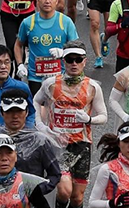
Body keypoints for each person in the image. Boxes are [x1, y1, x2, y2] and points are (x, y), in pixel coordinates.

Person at [33, 39, 108, 208]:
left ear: (84, 61)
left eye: (78, 59)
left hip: (82, 144)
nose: (74, 63)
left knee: (77, 198)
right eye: (69, 59)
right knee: (64, 191)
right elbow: (36, 101)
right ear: (63, 61)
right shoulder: (50, 84)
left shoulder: (93, 87)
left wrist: (89, 119)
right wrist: (40, 125)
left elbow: (104, 116)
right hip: (58, 144)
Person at [0, 89, 60, 194]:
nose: (15, 116)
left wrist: (36, 191)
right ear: (1, 112)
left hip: (30, 199)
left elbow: (55, 174)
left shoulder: (40, 141)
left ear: (27, 112)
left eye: (19, 111)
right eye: (9, 111)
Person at [15, 0, 79, 96]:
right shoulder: (28, 23)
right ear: (37, 0)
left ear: (57, 0)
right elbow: (18, 45)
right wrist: (20, 64)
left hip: (61, 76)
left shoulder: (66, 22)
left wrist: (63, 53)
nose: (47, 1)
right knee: (38, 106)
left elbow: (77, 48)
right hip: (36, 77)